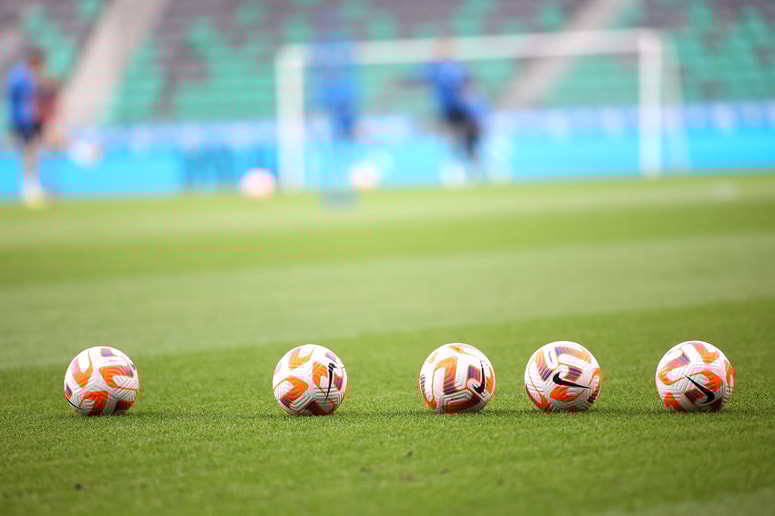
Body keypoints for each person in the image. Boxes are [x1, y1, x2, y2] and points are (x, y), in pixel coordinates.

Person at [421, 39, 487, 181]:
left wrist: (472, 101)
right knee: (454, 139)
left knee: (469, 138)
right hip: (449, 109)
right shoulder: (433, 68)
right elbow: (419, 79)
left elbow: (468, 83)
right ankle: (459, 168)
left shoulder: (457, 68)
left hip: (463, 109)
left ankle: (474, 167)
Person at [6, 47, 48, 206]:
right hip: (22, 120)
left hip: (26, 119)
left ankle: (31, 184)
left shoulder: (24, 75)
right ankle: (29, 186)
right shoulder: (21, 76)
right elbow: (20, 98)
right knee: (29, 151)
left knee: (32, 151)